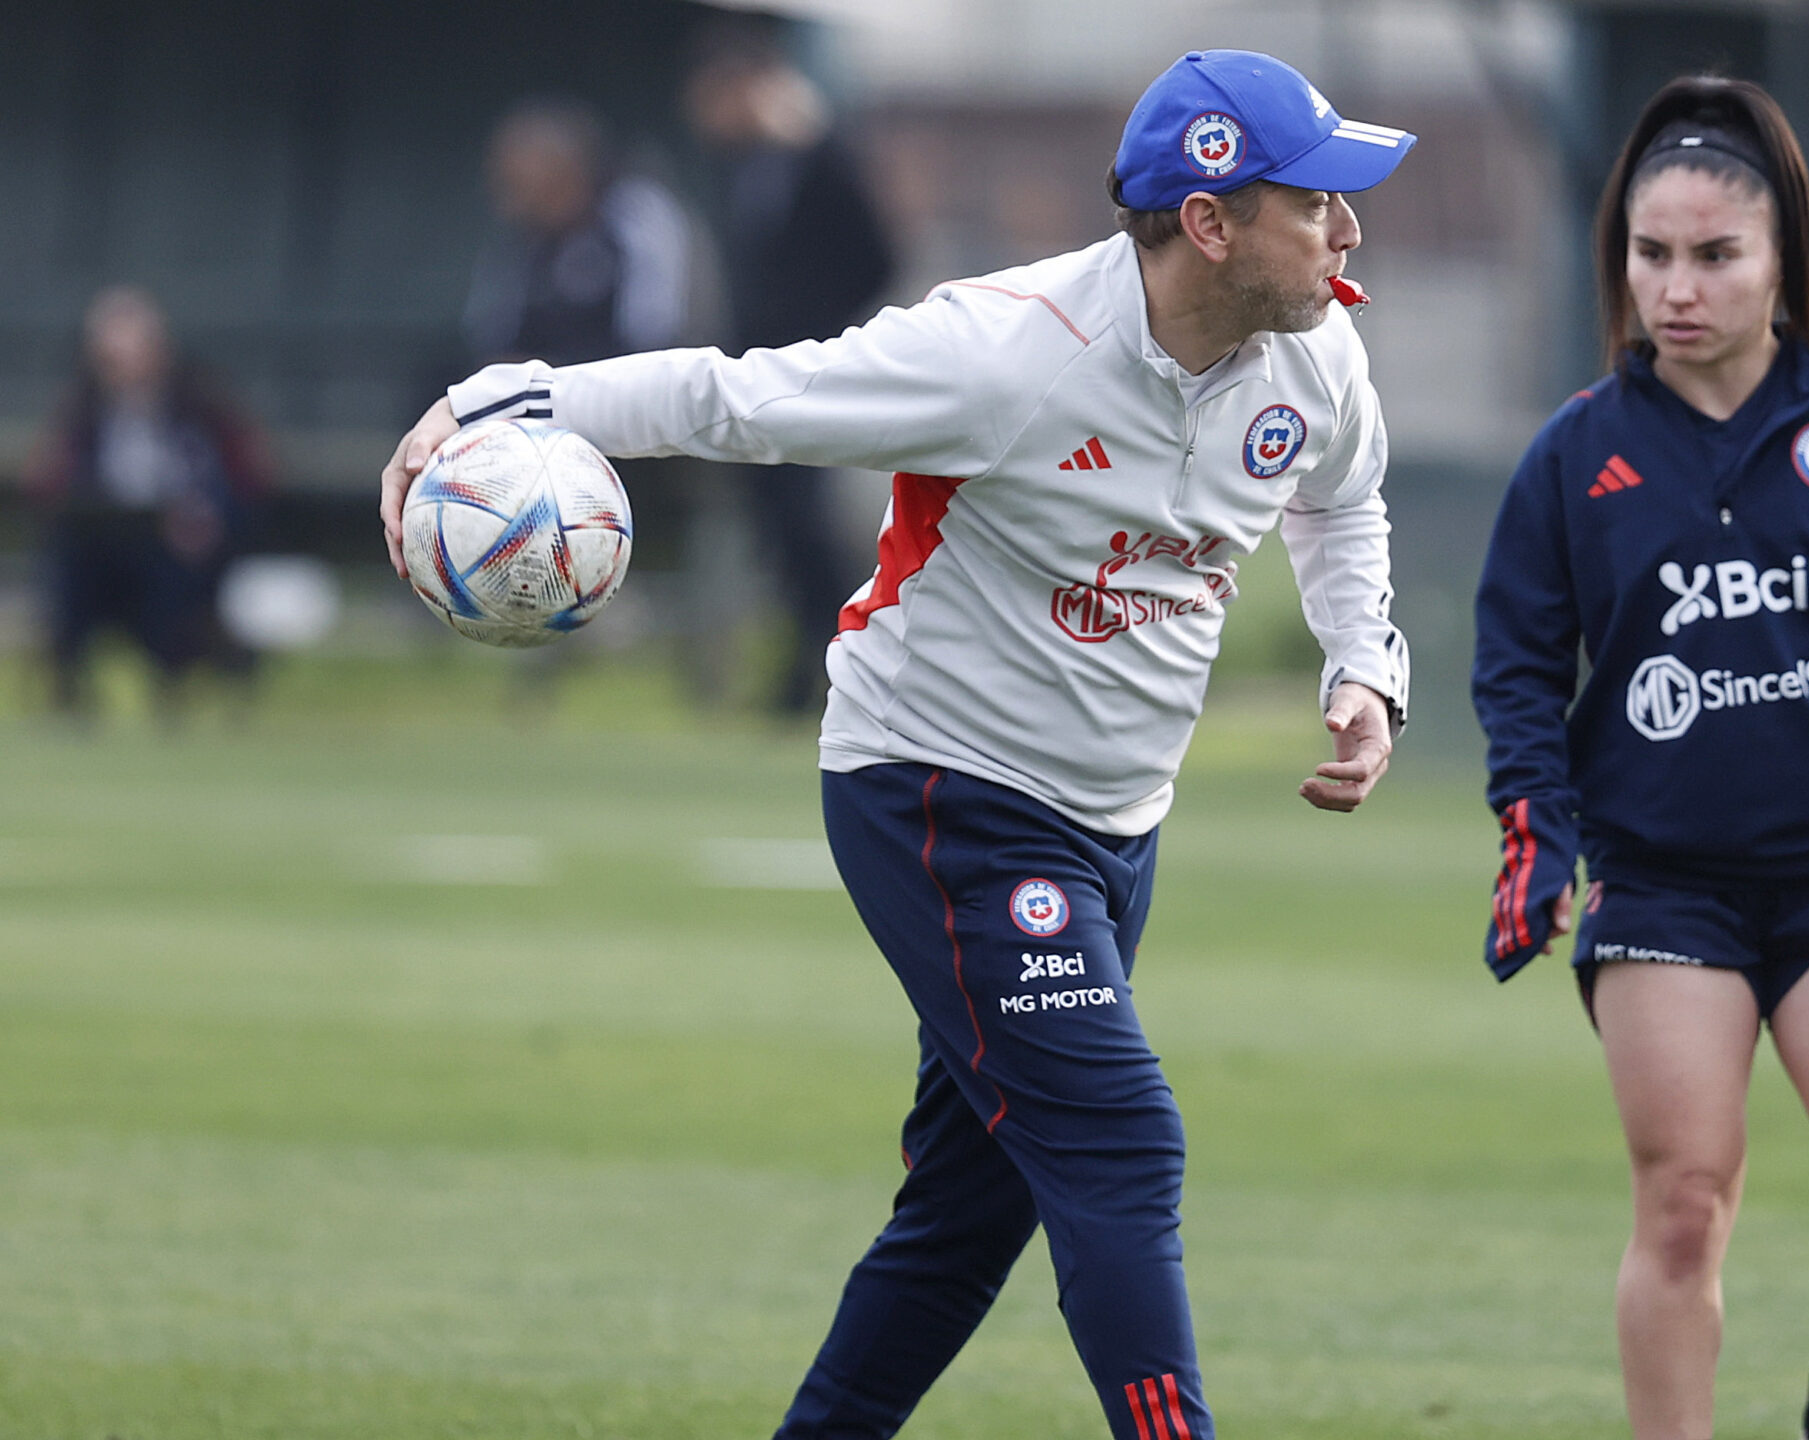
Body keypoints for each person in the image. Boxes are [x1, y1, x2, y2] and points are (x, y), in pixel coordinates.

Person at [380, 49, 1414, 1440]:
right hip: (941, 791)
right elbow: (738, 398)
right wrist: (503, 400)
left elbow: (1342, 501)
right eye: (1319, 201)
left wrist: (1365, 665)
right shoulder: (1004, 350)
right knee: (1117, 1142)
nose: (1349, 229)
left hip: (1119, 822)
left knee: (967, 1214)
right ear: (1214, 222)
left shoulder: (1316, 350)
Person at [1471, 76, 1809, 1440]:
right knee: (1683, 1201)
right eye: (1653, 254)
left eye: (1717, 255)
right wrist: (1537, 826)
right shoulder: (1575, 457)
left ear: (1783, 267)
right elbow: (1519, 668)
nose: (1679, 287)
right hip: (1665, 890)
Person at [687, 29, 900, 716]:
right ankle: (803, 670)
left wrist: (825, 336)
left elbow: (876, 256)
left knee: (810, 532)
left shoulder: (820, 158)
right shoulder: (745, 168)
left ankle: (835, 664)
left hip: (807, 377)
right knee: (778, 535)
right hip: (757, 375)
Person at [27, 285, 271, 722]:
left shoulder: (197, 400)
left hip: (174, 542)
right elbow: (53, 479)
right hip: (104, 540)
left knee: (176, 572)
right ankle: (69, 689)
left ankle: (172, 685)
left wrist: (205, 517)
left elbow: (245, 472)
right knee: (68, 562)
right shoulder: (84, 409)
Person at [463, 99, 700, 368]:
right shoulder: (519, 244)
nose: (508, 196)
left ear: (566, 169)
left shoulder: (636, 213)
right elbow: (495, 338)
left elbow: (655, 337)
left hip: (634, 391)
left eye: (519, 180)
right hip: (546, 394)